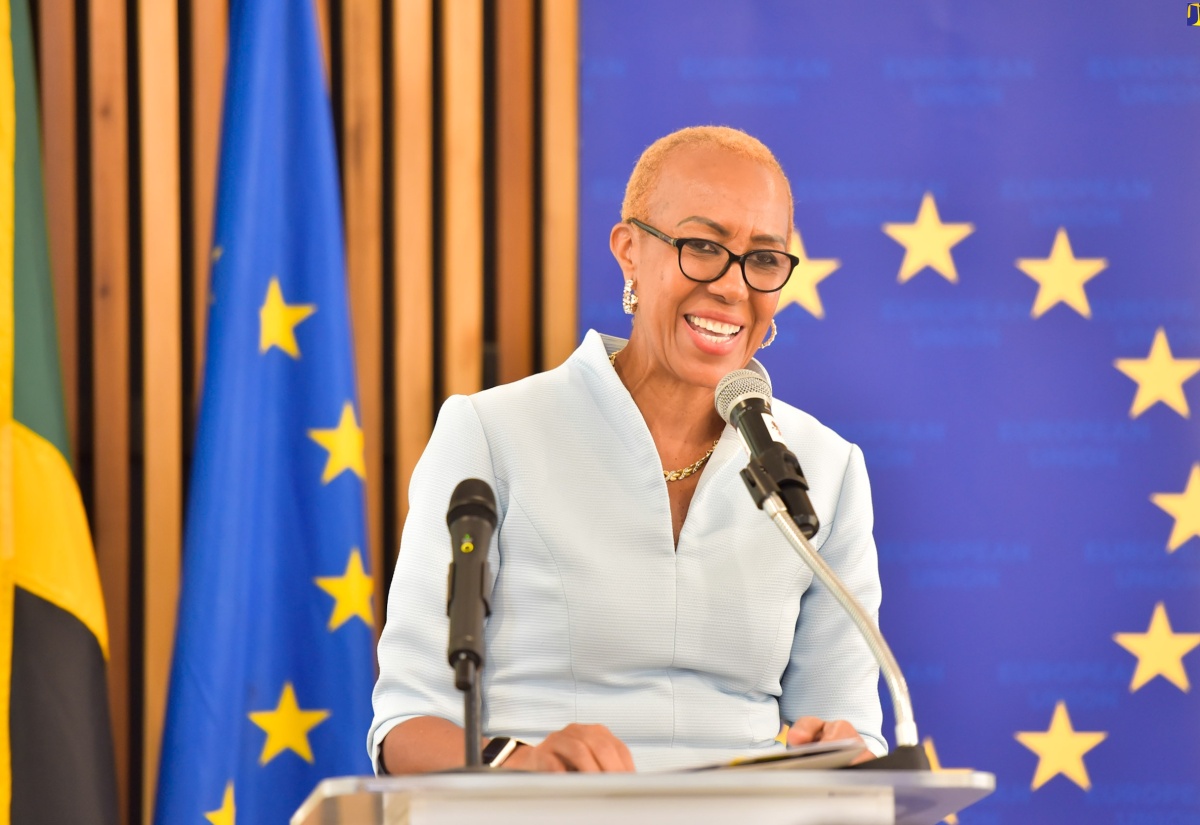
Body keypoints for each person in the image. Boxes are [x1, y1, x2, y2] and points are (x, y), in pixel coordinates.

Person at [370, 125, 885, 774]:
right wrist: (520, 764)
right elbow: (405, 728)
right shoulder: (489, 433)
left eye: (762, 258)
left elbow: (849, 734)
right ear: (629, 252)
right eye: (703, 246)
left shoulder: (824, 470)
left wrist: (836, 750)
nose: (732, 287)